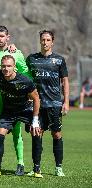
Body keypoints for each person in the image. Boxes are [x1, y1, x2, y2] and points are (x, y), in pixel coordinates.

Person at [0, 25, 30, 175]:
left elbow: (26, 73)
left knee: (17, 132)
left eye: (2, 36)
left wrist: (27, 94)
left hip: (13, 100)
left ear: (8, 37)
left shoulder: (16, 53)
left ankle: (20, 163)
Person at [0, 55, 40, 177]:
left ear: (14, 67)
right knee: (0, 133)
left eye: (9, 66)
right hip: (9, 111)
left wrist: (35, 120)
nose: (6, 69)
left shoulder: (25, 81)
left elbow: (36, 99)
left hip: (25, 109)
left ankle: (37, 169)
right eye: (4, 66)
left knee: (36, 132)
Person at [26, 30, 69, 177]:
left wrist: (66, 102)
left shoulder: (59, 60)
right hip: (38, 105)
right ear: (40, 41)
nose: (45, 42)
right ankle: (36, 168)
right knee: (36, 134)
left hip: (55, 104)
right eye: (43, 39)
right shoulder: (31, 59)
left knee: (56, 135)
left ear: (52, 42)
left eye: (48, 40)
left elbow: (65, 81)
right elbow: (24, 74)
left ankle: (58, 167)